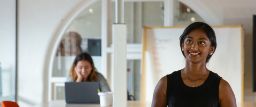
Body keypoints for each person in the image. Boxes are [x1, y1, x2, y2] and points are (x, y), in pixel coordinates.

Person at [151, 22, 237, 107]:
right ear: (182, 45)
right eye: (189, 41)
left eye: (201, 42)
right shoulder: (165, 84)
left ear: (211, 49)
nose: (194, 47)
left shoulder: (222, 87)